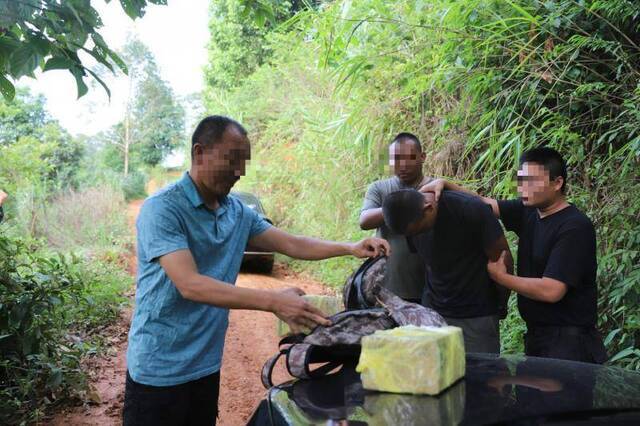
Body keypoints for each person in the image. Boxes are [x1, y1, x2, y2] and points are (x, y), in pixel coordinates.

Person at [123, 116, 389, 426]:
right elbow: (190, 284)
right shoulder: (163, 209)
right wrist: (274, 301)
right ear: (199, 153)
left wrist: (350, 247)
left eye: (244, 162)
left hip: (205, 365)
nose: (240, 172)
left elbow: (292, 244)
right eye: (232, 160)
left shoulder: (236, 212)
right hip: (158, 369)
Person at [423, 147, 607, 364]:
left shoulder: (574, 227)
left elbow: (552, 290)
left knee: (563, 398)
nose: (523, 188)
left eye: (532, 181)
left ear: (557, 183)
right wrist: (446, 184)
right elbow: (484, 205)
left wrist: (502, 278)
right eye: (521, 180)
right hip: (538, 336)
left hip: (569, 341)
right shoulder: (529, 210)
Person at [382, 188, 512, 353]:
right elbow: (427, 263)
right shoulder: (408, 217)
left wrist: (502, 302)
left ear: (428, 208)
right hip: (434, 312)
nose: (414, 236)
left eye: (418, 230)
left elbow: (502, 258)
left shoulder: (469, 209)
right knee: (437, 372)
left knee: (482, 372)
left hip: (476, 314)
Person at [359, 133, 430, 303]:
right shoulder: (379, 188)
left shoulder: (435, 190)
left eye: (410, 158)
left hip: (431, 291)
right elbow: (364, 220)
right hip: (386, 290)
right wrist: (398, 206)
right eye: (396, 159)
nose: (403, 165)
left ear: (422, 157)